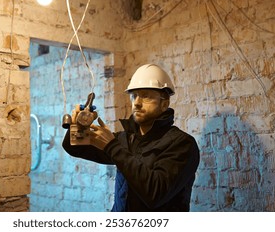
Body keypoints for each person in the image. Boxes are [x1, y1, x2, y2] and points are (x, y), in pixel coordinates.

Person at [62, 64, 200, 211]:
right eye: (134, 96)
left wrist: (112, 147)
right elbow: (74, 148)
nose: (137, 103)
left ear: (164, 104)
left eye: (146, 96)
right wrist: (78, 127)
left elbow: (156, 193)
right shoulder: (125, 140)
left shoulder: (182, 144)